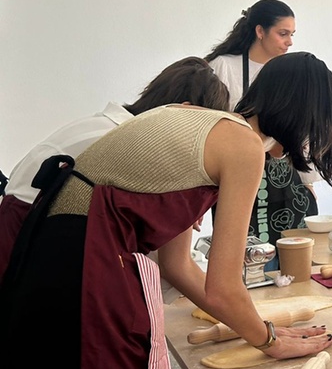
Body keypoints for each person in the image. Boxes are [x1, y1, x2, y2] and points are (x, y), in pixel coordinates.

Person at [0, 52, 332, 369]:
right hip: (84, 261)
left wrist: (261, 329)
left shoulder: (208, 128)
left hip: (55, 250)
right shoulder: (243, 147)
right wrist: (270, 341)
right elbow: (224, 287)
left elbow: (179, 266)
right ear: (305, 114)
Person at [0, 56, 230, 280]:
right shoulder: (128, 143)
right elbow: (176, 266)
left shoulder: (102, 125)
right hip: (27, 251)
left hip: (25, 238)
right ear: (185, 112)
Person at [206, 0, 322, 249]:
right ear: (260, 31)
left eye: (292, 34)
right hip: (239, 176)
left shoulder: (290, 71)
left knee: (293, 257)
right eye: (283, 34)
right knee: (242, 256)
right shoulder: (224, 66)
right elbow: (209, 128)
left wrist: (308, 181)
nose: (290, 42)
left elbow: (302, 131)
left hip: (286, 180)